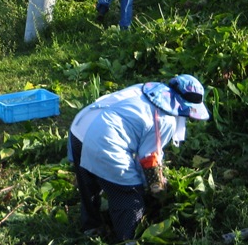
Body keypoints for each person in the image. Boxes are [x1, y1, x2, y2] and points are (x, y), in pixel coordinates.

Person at [68, 75, 210, 242]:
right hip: (104, 139)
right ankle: (127, 239)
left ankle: (91, 227)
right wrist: (155, 187)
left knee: (88, 183)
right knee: (131, 198)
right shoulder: (165, 119)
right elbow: (149, 159)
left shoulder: (146, 89)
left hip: (80, 128)